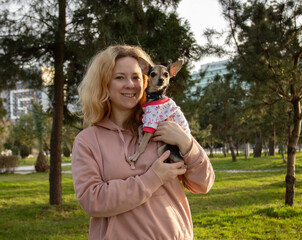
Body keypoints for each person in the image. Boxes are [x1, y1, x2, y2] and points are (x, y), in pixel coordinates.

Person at [72, 45, 215, 240]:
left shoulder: (166, 125)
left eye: (136, 77)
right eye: (119, 77)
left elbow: (203, 184)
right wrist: (153, 178)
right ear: (104, 83)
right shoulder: (88, 141)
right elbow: (93, 200)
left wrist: (186, 142)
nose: (130, 84)